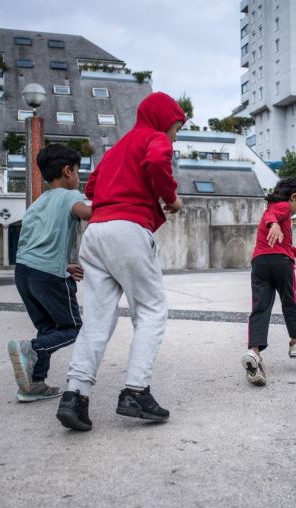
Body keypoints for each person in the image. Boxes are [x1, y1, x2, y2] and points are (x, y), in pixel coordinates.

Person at [56, 92, 186, 432]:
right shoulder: (155, 139)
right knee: (151, 310)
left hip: (96, 232)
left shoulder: (118, 148)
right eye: (176, 126)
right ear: (162, 119)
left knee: (97, 319)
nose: (175, 135)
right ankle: (135, 391)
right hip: (129, 230)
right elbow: (158, 163)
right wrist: (170, 198)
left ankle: (75, 395)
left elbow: (94, 185)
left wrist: (116, 201)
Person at [7, 143, 91, 402]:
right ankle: (30, 349)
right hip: (49, 276)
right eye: (78, 172)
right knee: (73, 329)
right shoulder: (70, 196)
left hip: (24, 273)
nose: (79, 177)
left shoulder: (37, 203)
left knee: (47, 328)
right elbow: (89, 212)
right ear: (67, 171)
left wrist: (63, 263)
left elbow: (34, 241)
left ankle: (34, 385)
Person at [242, 177, 296, 387]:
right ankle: (295, 342)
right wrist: (274, 222)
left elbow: (286, 243)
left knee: (260, 308)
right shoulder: (281, 207)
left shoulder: (275, 214)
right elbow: (272, 213)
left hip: (260, 263)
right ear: (294, 197)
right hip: (281, 264)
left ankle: (254, 352)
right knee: (289, 300)